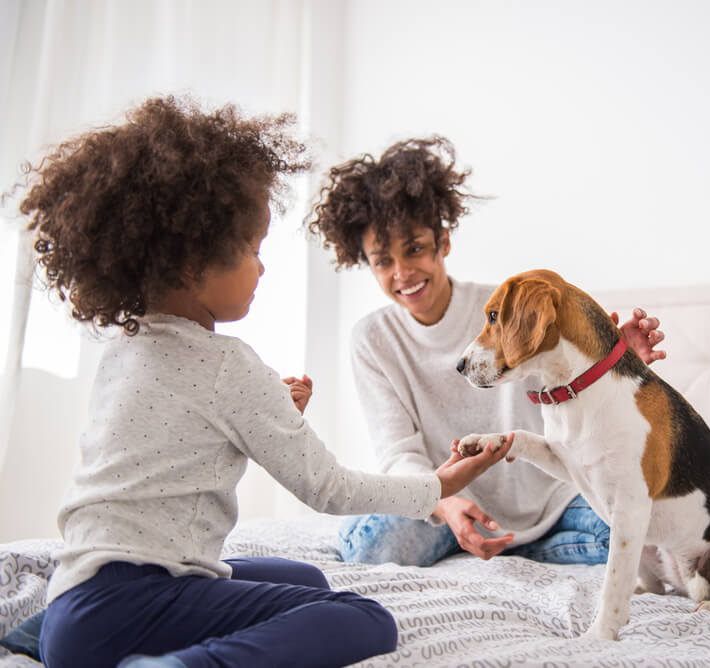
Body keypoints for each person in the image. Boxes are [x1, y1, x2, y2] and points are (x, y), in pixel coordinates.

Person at [13, 98, 511, 668]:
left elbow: (182, 444)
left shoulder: (128, 348)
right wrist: (439, 487)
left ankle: (40, 634)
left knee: (301, 576)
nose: (263, 267)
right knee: (362, 618)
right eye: (253, 250)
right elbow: (330, 489)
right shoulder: (229, 364)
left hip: (76, 603)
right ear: (191, 264)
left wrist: (274, 413)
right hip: (131, 604)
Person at [305, 136, 666, 567]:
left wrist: (611, 363)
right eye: (383, 261)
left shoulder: (506, 307)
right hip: (444, 499)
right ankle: (502, 543)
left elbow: (564, 386)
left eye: (415, 248)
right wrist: (442, 503)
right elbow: (399, 453)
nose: (402, 273)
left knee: (643, 536)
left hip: (550, 499)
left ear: (443, 242)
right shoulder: (372, 339)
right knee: (372, 545)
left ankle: (514, 545)